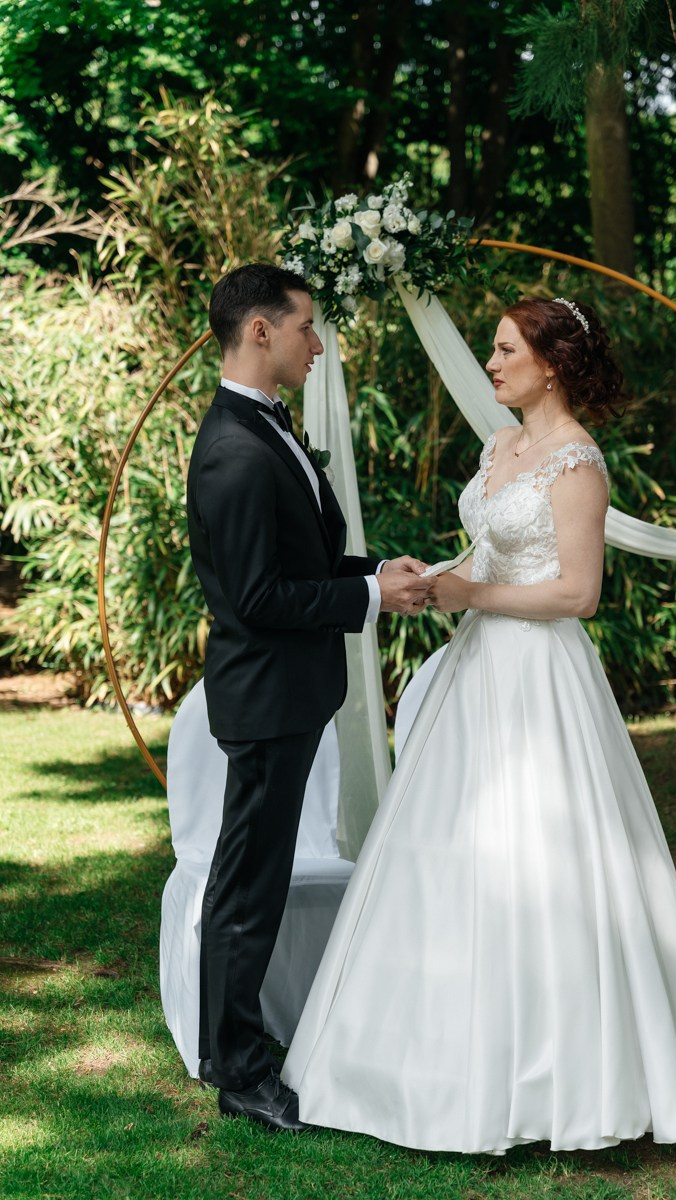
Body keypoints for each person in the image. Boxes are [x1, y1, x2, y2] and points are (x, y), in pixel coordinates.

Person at [281, 296, 676, 1153]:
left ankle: (567, 1078)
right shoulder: (501, 445)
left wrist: (474, 595)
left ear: (554, 362)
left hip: (540, 676)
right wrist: (440, 578)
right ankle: (417, 1065)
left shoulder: (577, 462)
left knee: (550, 855)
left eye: (504, 350)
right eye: (492, 350)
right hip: (477, 667)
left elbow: (578, 592)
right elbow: (494, 553)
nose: (491, 363)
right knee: (447, 849)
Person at [186, 263, 431, 1132]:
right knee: (248, 885)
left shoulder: (265, 432)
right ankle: (238, 1067)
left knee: (255, 873)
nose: (316, 342)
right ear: (260, 331)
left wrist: (374, 572)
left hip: (290, 695)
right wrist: (367, 602)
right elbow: (255, 599)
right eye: (305, 327)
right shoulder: (232, 451)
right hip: (266, 700)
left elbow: (300, 568)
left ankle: (236, 1047)